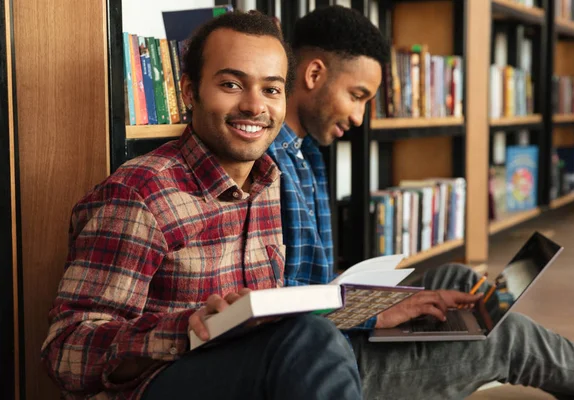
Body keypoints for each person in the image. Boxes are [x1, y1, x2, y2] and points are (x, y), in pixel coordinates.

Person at [266, 5, 574, 399]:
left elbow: (316, 289)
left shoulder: (307, 153)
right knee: (508, 340)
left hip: (331, 328)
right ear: (314, 73)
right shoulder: (269, 165)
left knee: (457, 282)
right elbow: (282, 313)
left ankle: (474, 350)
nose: (359, 117)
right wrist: (375, 314)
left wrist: (389, 304)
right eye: (356, 96)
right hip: (325, 362)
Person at [41, 11, 362, 400]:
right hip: (157, 385)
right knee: (311, 342)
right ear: (189, 92)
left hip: (244, 375)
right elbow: (66, 352)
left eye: (271, 90)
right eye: (231, 84)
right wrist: (188, 328)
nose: (254, 106)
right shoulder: (141, 193)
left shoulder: (270, 182)